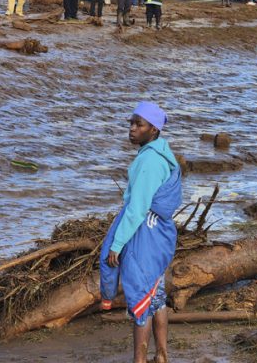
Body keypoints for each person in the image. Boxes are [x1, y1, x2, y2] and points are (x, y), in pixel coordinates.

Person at [100, 101, 181, 363]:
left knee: (141, 297)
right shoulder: (160, 154)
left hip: (146, 235)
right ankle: (162, 354)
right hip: (158, 232)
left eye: (139, 124)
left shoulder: (149, 161)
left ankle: (139, 360)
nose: (132, 128)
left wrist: (117, 244)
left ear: (154, 129)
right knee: (156, 294)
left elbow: (137, 208)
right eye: (131, 123)